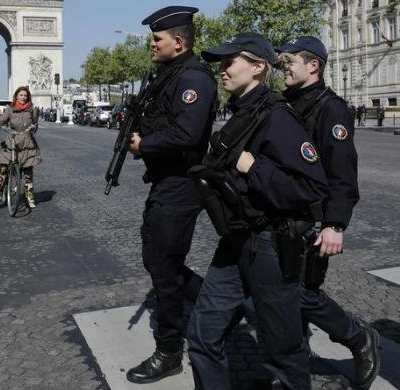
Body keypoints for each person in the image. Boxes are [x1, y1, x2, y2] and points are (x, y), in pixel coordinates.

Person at [186, 32, 329, 390]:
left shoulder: (277, 118)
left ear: (258, 67)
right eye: (220, 63)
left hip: (270, 245)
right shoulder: (240, 114)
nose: (222, 70)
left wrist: (255, 169)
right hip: (236, 239)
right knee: (203, 334)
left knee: (283, 350)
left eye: (229, 61)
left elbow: (312, 187)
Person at [277, 36, 379, 390]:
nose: (283, 69)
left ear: (313, 65)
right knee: (286, 295)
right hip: (282, 213)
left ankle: (356, 337)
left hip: (312, 218)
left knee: (303, 293)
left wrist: (335, 224)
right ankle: (296, 368)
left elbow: (342, 170)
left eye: (289, 63)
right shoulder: (284, 102)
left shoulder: (330, 108)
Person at [124, 5, 218, 384]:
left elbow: (188, 134)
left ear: (178, 42)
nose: (151, 44)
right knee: (156, 257)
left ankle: (169, 351)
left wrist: (144, 144)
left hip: (182, 185)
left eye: (156, 38)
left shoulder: (194, 78)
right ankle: (220, 302)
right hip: (166, 182)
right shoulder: (171, 75)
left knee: (163, 269)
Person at [0, 86, 41, 208]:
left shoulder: (32, 110)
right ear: (16, 97)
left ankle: (29, 196)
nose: (23, 97)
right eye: (21, 95)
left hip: (27, 142)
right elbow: (1, 120)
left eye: (25, 95)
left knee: (28, 172)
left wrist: (34, 128)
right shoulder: (10, 109)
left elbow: (35, 123)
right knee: (3, 167)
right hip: (12, 141)